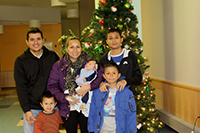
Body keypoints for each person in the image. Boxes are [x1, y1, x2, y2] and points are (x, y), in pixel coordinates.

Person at [47, 37, 103, 133]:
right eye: (72, 47)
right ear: (66, 49)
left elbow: (101, 75)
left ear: (81, 48)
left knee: (88, 131)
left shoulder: (90, 63)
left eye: (78, 47)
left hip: (86, 105)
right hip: (67, 107)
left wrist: (89, 87)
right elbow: (52, 86)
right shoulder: (58, 66)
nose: (75, 50)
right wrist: (66, 98)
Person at [14, 27, 59, 133]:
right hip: (32, 108)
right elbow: (21, 87)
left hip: (51, 106)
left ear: (43, 40)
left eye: (38, 39)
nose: (36, 42)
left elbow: (60, 79)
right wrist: (26, 110)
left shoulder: (52, 57)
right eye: (32, 39)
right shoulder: (21, 61)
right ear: (27, 42)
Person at [88, 62, 137, 133]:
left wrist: (131, 131)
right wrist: (91, 129)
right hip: (102, 129)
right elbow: (92, 112)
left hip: (118, 130)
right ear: (104, 76)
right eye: (108, 73)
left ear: (118, 75)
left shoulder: (127, 93)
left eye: (114, 73)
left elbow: (131, 115)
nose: (111, 75)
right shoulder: (97, 92)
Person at [99, 28, 142, 93]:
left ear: (121, 39)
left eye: (116, 37)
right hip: (109, 98)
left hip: (126, 96)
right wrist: (101, 83)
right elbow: (99, 78)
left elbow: (138, 78)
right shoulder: (104, 60)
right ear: (107, 42)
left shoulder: (130, 56)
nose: (114, 40)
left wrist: (126, 81)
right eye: (110, 38)